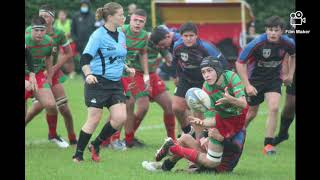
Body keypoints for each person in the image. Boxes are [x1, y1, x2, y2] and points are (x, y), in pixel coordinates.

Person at [143, 56, 248, 173]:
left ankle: (174, 151)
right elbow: (210, 117)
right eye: (203, 72)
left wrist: (230, 100)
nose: (206, 75)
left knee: (213, 165)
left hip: (223, 164)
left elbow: (243, 105)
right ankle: (165, 167)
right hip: (218, 139)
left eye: (209, 71)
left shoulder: (231, 77)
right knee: (185, 138)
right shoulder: (206, 89)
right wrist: (204, 134)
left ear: (218, 69)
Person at [72, 2, 135, 163]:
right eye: (121, 15)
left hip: (115, 83)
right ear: (110, 17)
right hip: (97, 82)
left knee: (120, 118)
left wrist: (126, 67)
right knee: (94, 118)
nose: (124, 17)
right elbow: (85, 59)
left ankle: (96, 144)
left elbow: (118, 57)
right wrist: (88, 74)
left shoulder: (121, 34)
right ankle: (78, 155)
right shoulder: (98, 35)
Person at [235, 16, 295, 155]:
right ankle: (235, 138)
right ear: (266, 30)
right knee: (251, 113)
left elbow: (293, 55)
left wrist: (290, 74)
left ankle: (268, 145)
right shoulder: (256, 43)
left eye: (276, 30)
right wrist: (247, 85)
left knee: (274, 108)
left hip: (273, 80)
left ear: (282, 31)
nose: (273, 33)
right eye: (270, 30)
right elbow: (239, 63)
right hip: (255, 80)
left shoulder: (288, 43)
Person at [25, 5, 76, 147]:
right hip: (32, 73)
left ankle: (70, 137)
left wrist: (52, 71)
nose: (43, 18)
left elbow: (66, 53)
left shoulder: (57, 35)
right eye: (41, 15)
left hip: (48, 73)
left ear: (52, 19)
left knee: (61, 106)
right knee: (36, 108)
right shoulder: (29, 33)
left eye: (46, 16)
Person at [171, 22, 227, 138]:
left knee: (199, 112)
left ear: (196, 35)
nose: (188, 38)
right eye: (185, 36)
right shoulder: (177, 46)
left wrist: (220, 81)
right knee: (176, 107)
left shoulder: (206, 47)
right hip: (186, 79)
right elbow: (175, 62)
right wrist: (176, 76)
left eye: (191, 36)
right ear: (181, 36)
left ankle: (201, 138)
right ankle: (187, 130)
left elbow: (223, 63)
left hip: (203, 81)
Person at [25, 16, 61, 149]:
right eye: (36, 30)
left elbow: (48, 60)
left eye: (42, 30)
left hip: (38, 75)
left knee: (51, 105)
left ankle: (52, 135)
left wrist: (50, 77)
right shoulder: (25, 40)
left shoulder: (49, 42)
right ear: (30, 30)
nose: (39, 33)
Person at [54, 9, 76, 78]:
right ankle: (60, 73)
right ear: (58, 16)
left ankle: (71, 72)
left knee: (70, 58)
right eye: (60, 15)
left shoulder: (70, 22)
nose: (61, 16)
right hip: (60, 43)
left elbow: (73, 32)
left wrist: (68, 34)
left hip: (70, 42)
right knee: (60, 58)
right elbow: (54, 32)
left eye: (63, 15)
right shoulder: (56, 22)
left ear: (65, 15)